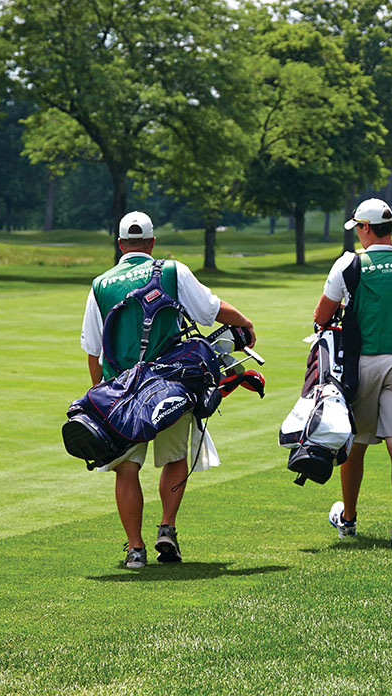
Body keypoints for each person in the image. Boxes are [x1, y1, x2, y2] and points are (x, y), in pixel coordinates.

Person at [80, 211, 256, 569]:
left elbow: (93, 351)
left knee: (126, 470)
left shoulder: (100, 284)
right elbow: (211, 310)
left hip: (121, 393)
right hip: (171, 386)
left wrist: (100, 394)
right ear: (152, 242)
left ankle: (134, 549)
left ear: (119, 245)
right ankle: (167, 528)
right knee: (175, 458)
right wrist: (245, 323)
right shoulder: (171, 271)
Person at [313, 198, 392, 550]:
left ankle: (350, 519)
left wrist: (349, 309)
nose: (358, 233)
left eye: (358, 227)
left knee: (355, 441)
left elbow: (321, 317)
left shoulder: (350, 264)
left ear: (366, 228)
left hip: (360, 364)